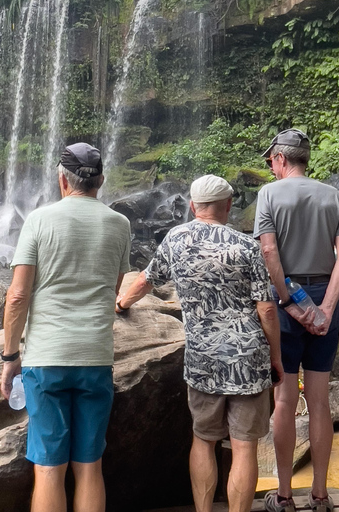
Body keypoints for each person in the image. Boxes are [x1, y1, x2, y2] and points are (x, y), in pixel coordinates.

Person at [116, 175, 284, 512]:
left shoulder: (175, 240)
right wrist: (275, 358)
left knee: (204, 439)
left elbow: (146, 280)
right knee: (244, 446)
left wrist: (121, 304)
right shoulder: (247, 246)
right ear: (227, 205)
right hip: (247, 358)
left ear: (193, 206)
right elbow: (266, 308)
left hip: (202, 357)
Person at [0, 143, 132, 512]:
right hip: (95, 356)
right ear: (100, 181)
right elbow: (114, 288)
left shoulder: (39, 220)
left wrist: (10, 356)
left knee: (49, 469)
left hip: (47, 358)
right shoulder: (120, 224)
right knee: (90, 467)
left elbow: (17, 296)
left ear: (62, 178)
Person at [254, 129, 339, 512]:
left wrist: (287, 301)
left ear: (280, 159)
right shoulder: (333, 196)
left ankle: (283, 496)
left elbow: (267, 249)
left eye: (271, 161)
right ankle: (320, 495)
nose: (272, 168)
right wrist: (326, 307)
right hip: (326, 298)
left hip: (284, 305)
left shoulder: (268, 195)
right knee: (320, 401)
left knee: (283, 399)